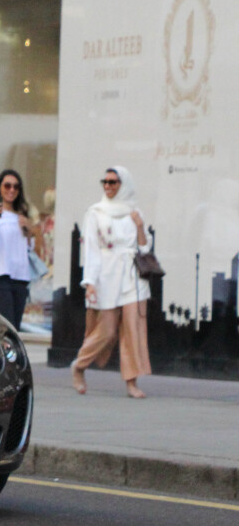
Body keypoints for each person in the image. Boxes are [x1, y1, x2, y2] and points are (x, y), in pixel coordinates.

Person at [70, 166, 152, 399]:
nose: (108, 186)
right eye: (104, 182)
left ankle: (131, 383)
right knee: (105, 330)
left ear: (123, 184)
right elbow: (92, 250)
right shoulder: (95, 212)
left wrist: (138, 226)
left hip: (132, 278)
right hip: (106, 276)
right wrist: (90, 282)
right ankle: (79, 365)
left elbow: (145, 247)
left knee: (132, 330)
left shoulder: (135, 212)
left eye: (113, 182)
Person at [0, 169, 37, 329]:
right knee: (5, 326)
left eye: (16, 187)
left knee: (14, 328)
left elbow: (29, 248)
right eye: (7, 186)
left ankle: (11, 355)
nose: (11, 190)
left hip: (20, 277)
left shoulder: (21, 216)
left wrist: (29, 231)